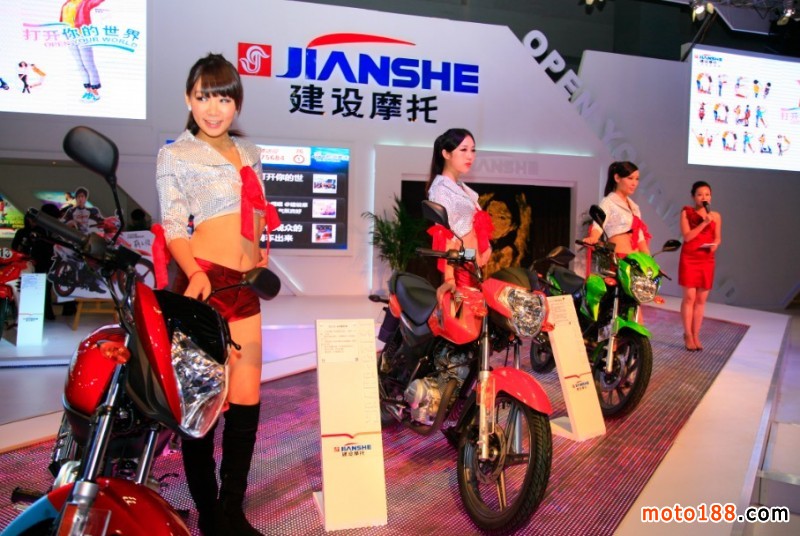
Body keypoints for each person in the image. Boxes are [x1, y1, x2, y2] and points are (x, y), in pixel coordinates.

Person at [155, 53, 268, 536]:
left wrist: (262, 248)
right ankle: (207, 512)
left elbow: (258, 209)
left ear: (236, 103)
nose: (214, 108)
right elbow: (174, 225)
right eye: (204, 97)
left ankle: (231, 510)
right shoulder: (175, 154)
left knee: (246, 401)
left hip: (245, 287)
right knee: (202, 405)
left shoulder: (250, 151)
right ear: (188, 99)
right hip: (203, 284)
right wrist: (192, 272)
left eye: (223, 98)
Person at [424, 128, 493, 302]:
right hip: (459, 269)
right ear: (446, 154)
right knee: (465, 314)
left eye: (473, 150)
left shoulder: (460, 186)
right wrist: (449, 278)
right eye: (463, 150)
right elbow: (445, 236)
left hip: (471, 266)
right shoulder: (441, 190)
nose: (470, 156)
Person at [679, 181, 721, 351]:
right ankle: (688, 334)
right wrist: (704, 223)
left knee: (701, 299)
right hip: (690, 257)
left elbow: (718, 237)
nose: (704, 197)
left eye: (707, 194)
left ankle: (696, 334)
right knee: (689, 297)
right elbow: (687, 237)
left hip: (706, 259)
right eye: (700, 194)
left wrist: (715, 245)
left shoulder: (716, 216)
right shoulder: (686, 213)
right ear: (693, 196)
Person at [583, 161, 650, 257]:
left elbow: (640, 237)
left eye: (637, 179)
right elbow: (598, 225)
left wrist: (649, 259)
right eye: (630, 178)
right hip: (618, 258)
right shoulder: (608, 202)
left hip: (636, 260)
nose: (634, 183)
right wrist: (593, 237)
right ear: (617, 178)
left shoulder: (635, 207)